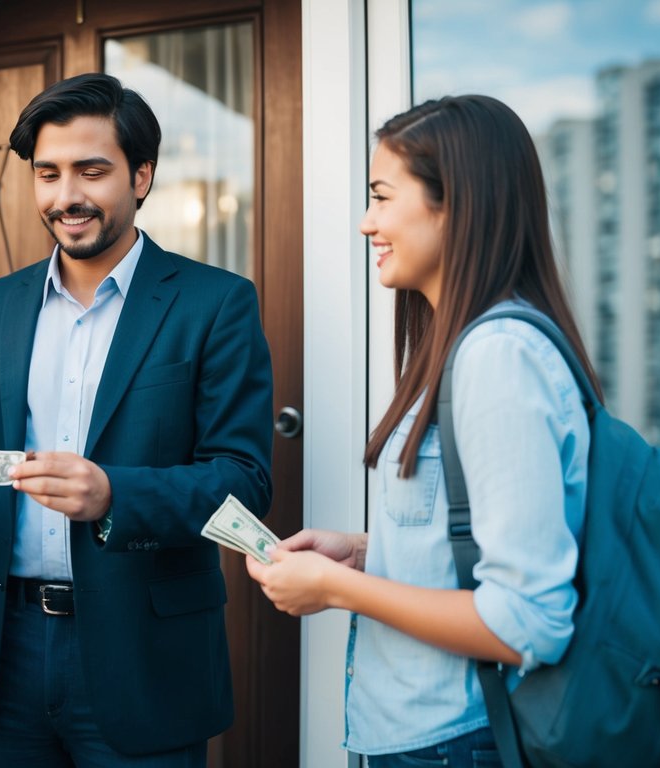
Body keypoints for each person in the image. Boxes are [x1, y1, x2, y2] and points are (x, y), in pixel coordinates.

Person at [0, 73, 275, 766]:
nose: (65, 196)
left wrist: (113, 495)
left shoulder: (215, 303)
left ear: (141, 176)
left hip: (145, 658)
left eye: (90, 171)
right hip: (2, 654)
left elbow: (243, 483)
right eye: (47, 173)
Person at [248, 94, 596, 767]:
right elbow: (481, 542)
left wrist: (336, 589)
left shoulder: (497, 357)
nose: (364, 223)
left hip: (454, 743)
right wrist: (361, 552)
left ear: (456, 204)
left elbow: (526, 621)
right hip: (431, 738)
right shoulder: (470, 345)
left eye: (382, 196)